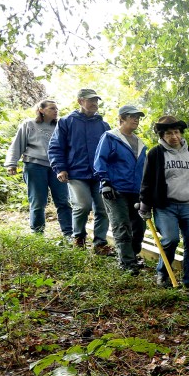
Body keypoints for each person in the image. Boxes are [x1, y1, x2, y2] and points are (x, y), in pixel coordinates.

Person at [138, 115, 189, 291]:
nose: (174, 136)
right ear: (162, 136)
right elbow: (147, 180)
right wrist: (145, 205)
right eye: (169, 133)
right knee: (170, 240)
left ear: (181, 133)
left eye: (176, 132)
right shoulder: (156, 154)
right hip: (165, 205)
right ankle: (163, 273)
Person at [48, 88, 112, 254]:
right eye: (91, 100)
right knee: (82, 205)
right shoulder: (67, 121)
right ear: (80, 101)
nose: (94, 104)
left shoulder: (103, 125)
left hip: (99, 174)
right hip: (76, 173)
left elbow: (110, 151)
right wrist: (60, 168)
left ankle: (100, 244)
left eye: (96, 100)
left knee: (103, 208)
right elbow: (55, 147)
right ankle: (79, 238)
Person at [4, 99, 73, 240]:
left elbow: (68, 148)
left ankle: (68, 233)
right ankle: (37, 234)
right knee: (38, 201)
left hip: (57, 168)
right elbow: (18, 144)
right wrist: (12, 163)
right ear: (41, 110)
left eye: (56, 108)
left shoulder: (60, 126)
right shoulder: (29, 124)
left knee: (63, 201)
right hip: (34, 166)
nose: (55, 111)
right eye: (52, 108)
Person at [94, 105, 148, 273]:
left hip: (136, 191)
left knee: (139, 226)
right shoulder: (110, 137)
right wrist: (105, 182)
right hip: (115, 189)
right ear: (121, 119)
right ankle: (127, 263)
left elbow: (144, 169)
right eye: (132, 116)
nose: (136, 119)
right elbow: (100, 160)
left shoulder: (140, 143)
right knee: (121, 225)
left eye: (138, 117)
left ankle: (132, 255)